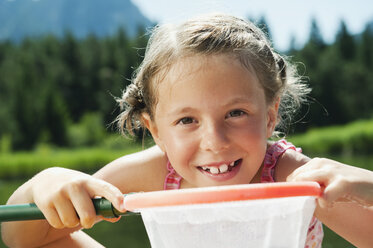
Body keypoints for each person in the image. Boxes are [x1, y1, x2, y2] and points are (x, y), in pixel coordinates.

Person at [2, 13, 373, 248]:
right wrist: (45, 183)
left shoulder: (294, 178)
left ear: (270, 115)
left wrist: (366, 187)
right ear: (155, 130)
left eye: (237, 112)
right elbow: (20, 239)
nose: (214, 141)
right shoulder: (149, 173)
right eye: (186, 120)